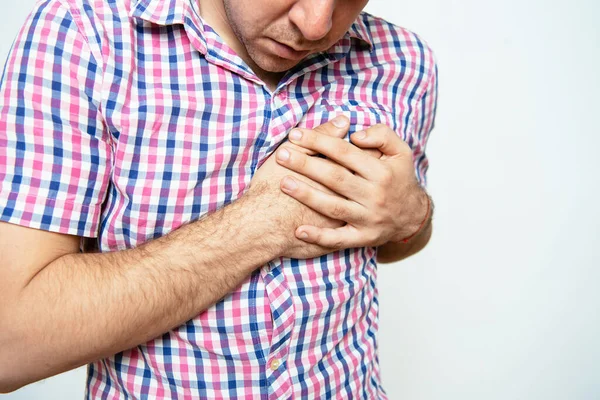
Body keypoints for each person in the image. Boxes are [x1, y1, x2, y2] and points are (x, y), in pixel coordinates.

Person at [0, 0, 437, 398]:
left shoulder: (403, 61)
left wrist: (412, 216)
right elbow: (11, 343)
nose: (316, 24)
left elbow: (389, 241)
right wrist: (262, 222)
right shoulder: (84, 35)